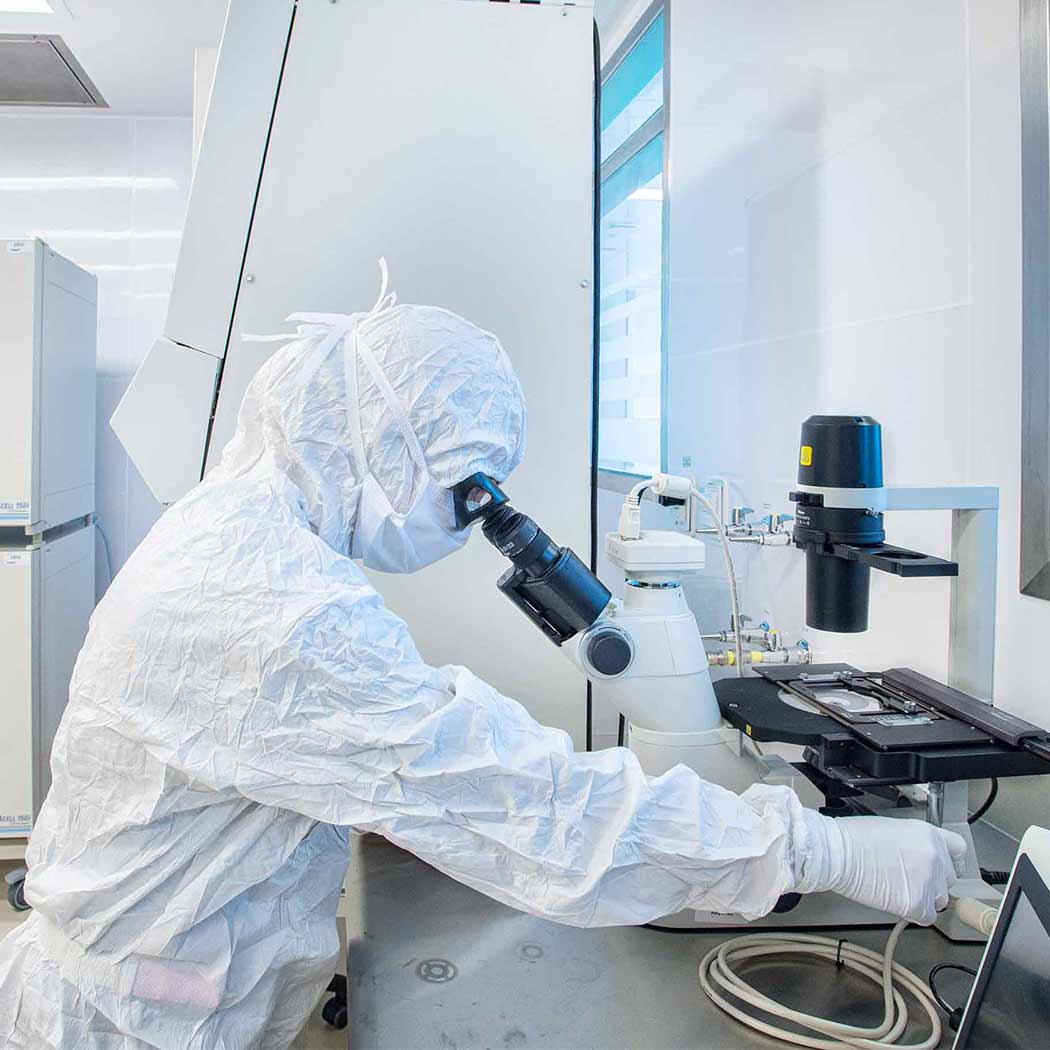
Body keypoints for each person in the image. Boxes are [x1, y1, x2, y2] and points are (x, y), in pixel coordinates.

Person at [0, 270, 965, 1049]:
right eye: (465, 489)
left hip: (158, 993)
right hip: (139, 1027)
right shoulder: (277, 612)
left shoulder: (243, 534)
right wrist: (823, 848)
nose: (472, 523)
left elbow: (434, 756)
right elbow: (537, 812)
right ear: (373, 442)